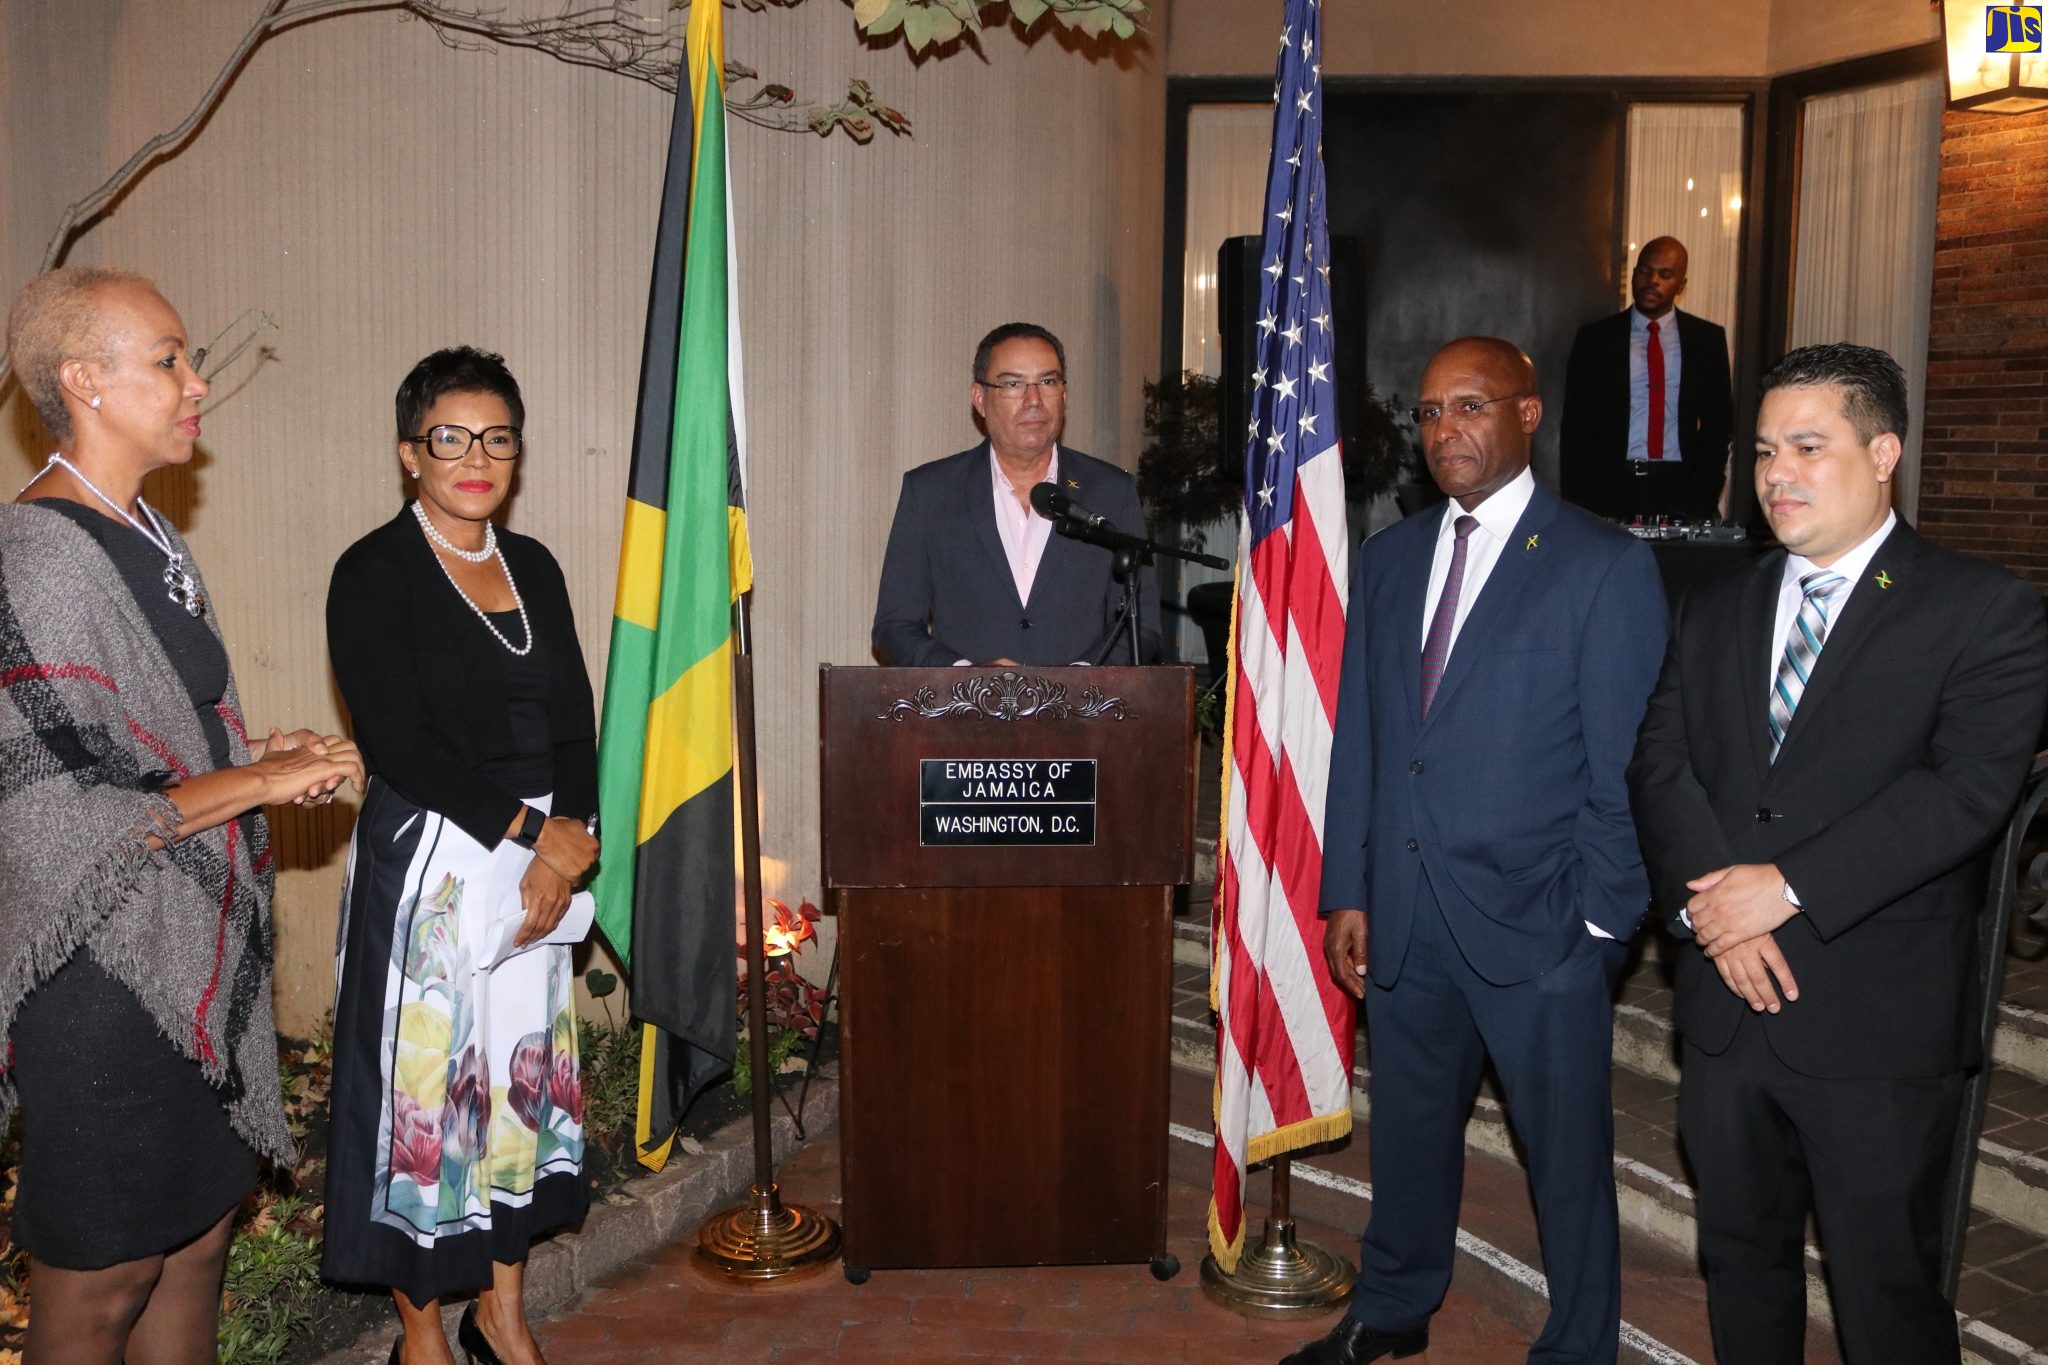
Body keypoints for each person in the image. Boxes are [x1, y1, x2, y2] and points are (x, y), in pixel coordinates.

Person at [1627, 343, 2048, 1363]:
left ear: (1883, 453)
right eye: (1766, 450)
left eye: (1808, 447)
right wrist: (1716, 918)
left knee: (1884, 1293)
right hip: (1726, 1009)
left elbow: (1964, 791)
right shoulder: (1716, 603)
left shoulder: (1981, 609)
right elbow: (1660, 765)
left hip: (1874, 1022)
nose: (1776, 473)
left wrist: (1784, 887)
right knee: (1739, 1262)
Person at [0, 266, 364, 1364]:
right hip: (102, 980)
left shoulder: (149, 532)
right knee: (104, 1279)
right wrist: (253, 788)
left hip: (187, 947)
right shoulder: (36, 556)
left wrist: (258, 760)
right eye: (167, 360)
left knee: (197, 1244)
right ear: (83, 381)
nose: (197, 381)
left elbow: (151, 748)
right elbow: (54, 814)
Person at [1284, 338, 1668, 1365]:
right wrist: (1350, 887)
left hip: (1541, 925)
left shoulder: (1601, 564)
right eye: (1427, 413)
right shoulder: (1389, 557)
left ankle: (1578, 1345)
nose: (1443, 429)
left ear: (1526, 414)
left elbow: (1624, 767)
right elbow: (1366, 740)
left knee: (1565, 1160)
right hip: (1406, 916)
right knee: (1409, 1135)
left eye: (1468, 405)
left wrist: (1598, 923)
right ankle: (1392, 1307)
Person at [322, 347, 601, 1365]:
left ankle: (502, 1315)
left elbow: (574, 722)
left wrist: (566, 845)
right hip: (434, 863)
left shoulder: (534, 567)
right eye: (450, 438)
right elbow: (398, 742)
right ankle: (422, 1335)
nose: (476, 458)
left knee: (518, 1095)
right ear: (410, 452)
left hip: (535, 870)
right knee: (426, 1103)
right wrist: (532, 833)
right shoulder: (373, 572)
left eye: (497, 438)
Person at [872, 322, 1158, 667]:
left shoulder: (1110, 491)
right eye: (1013, 384)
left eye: (1047, 382)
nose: (1033, 400)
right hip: (964, 700)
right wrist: (968, 678)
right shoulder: (931, 492)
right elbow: (894, 626)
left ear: (1064, 396)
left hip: (1086, 700)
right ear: (980, 399)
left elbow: (1141, 626)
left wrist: (1079, 682)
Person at [1560, 237, 1733, 523]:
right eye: (1645, 271)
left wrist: (1705, 491)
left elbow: (1719, 424)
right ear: (1633, 274)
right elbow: (1576, 427)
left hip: (1681, 488)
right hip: (1609, 490)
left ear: (1681, 285)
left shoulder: (1706, 340)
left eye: (1665, 274)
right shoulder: (1595, 339)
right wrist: (1577, 503)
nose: (1653, 281)